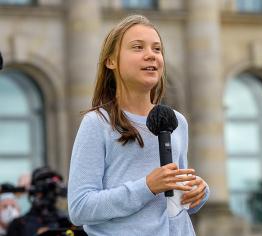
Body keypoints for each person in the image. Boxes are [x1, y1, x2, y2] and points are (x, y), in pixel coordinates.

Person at [67, 14, 209, 236]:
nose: (150, 55)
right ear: (111, 61)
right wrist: (147, 187)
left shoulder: (177, 121)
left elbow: (175, 204)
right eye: (137, 47)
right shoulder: (97, 123)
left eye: (157, 49)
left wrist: (197, 192)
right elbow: (80, 208)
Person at [6, 167, 76, 236]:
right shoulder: (19, 225)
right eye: (43, 188)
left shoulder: (68, 222)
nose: (49, 194)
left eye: (51, 188)